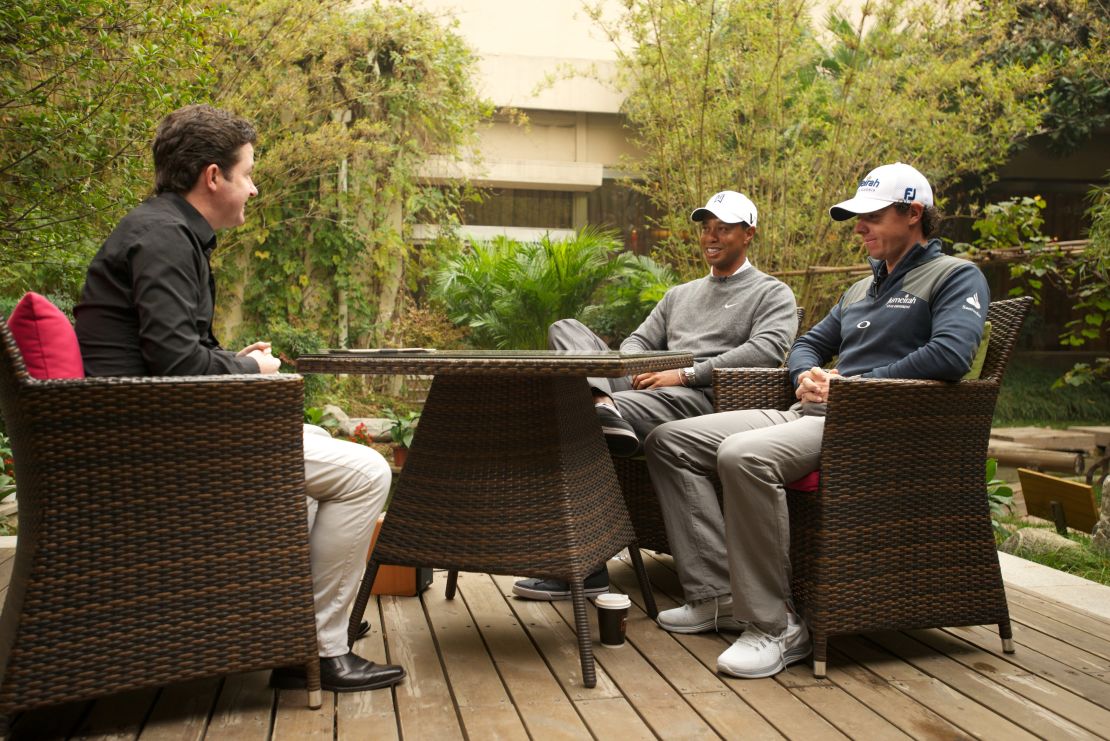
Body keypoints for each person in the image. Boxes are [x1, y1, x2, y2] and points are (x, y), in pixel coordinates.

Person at [74, 104, 405, 693]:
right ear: (213, 176)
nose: (253, 187)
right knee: (367, 472)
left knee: (321, 459)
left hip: (146, 427)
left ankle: (285, 638)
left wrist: (237, 362)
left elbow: (173, 352)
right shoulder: (166, 239)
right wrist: (250, 367)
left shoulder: (163, 231)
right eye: (248, 173)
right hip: (152, 447)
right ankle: (320, 649)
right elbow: (178, 366)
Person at [644, 162, 989, 678]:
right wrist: (808, 375)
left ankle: (776, 627)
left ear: (913, 212)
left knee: (743, 456)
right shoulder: (859, 289)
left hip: (869, 424)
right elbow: (806, 344)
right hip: (811, 411)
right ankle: (716, 594)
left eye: (871, 216)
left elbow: (950, 355)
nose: (859, 227)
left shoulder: (955, 275)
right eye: (857, 217)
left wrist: (850, 387)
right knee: (669, 439)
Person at [512, 190, 798, 601]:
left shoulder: (771, 292)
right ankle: (601, 404)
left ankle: (584, 566)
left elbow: (766, 351)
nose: (711, 237)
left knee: (570, 420)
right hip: (644, 390)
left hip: (699, 400)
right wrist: (631, 367)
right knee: (566, 328)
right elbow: (636, 341)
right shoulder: (679, 295)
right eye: (706, 229)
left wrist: (683, 373)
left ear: (748, 234)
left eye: (724, 229)